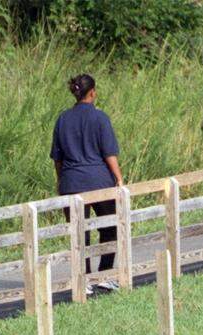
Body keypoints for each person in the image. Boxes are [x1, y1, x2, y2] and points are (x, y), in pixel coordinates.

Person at [51, 73, 124, 294]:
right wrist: (119, 179)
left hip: (72, 182)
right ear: (92, 92)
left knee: (79, 232)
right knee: (109, 226)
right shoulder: (100, 117)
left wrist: (61, 180)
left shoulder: (62, 119)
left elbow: (58, 158)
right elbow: (109, 153)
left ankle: (84, 280)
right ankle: (104, 274)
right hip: (98, 180)